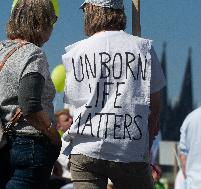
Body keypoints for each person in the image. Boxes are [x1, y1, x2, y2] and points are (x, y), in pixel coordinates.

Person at [61, 0, 166, 189]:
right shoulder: (143, 49)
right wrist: (146, 149)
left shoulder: (76, 52)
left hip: (85, 148)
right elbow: (155, 108)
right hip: (129, 149)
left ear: (92, 10)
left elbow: (72, 104)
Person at [0, 0, 61, 188]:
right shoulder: (33, 54)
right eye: (52, 19)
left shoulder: (1, 49)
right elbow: (30, 104)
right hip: (30, 144)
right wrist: (53, 136)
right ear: (41, 22)